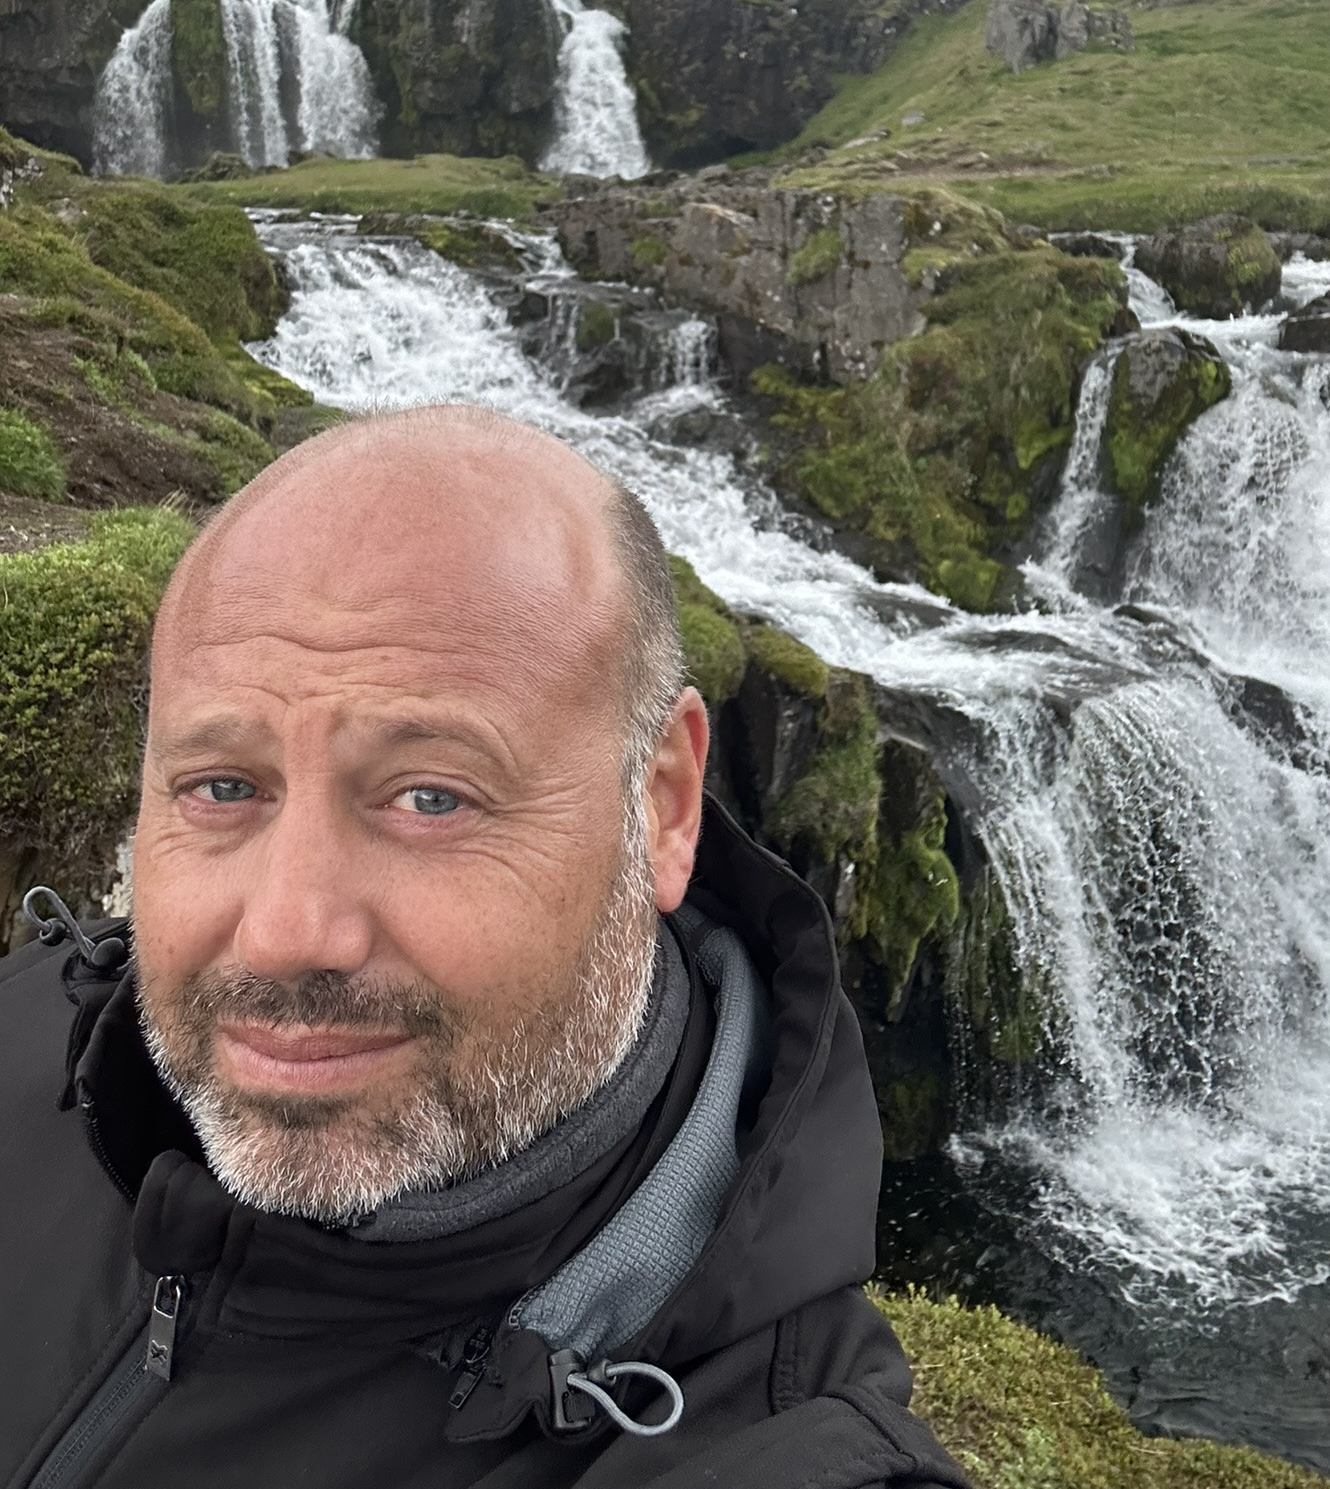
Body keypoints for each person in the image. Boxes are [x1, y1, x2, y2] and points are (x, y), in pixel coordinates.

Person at [0, 408, 964, 1489]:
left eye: (431, 797)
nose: (285, 933)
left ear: (663, 806)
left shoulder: (776, 1452)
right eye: (223, 786)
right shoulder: (29, 1016)